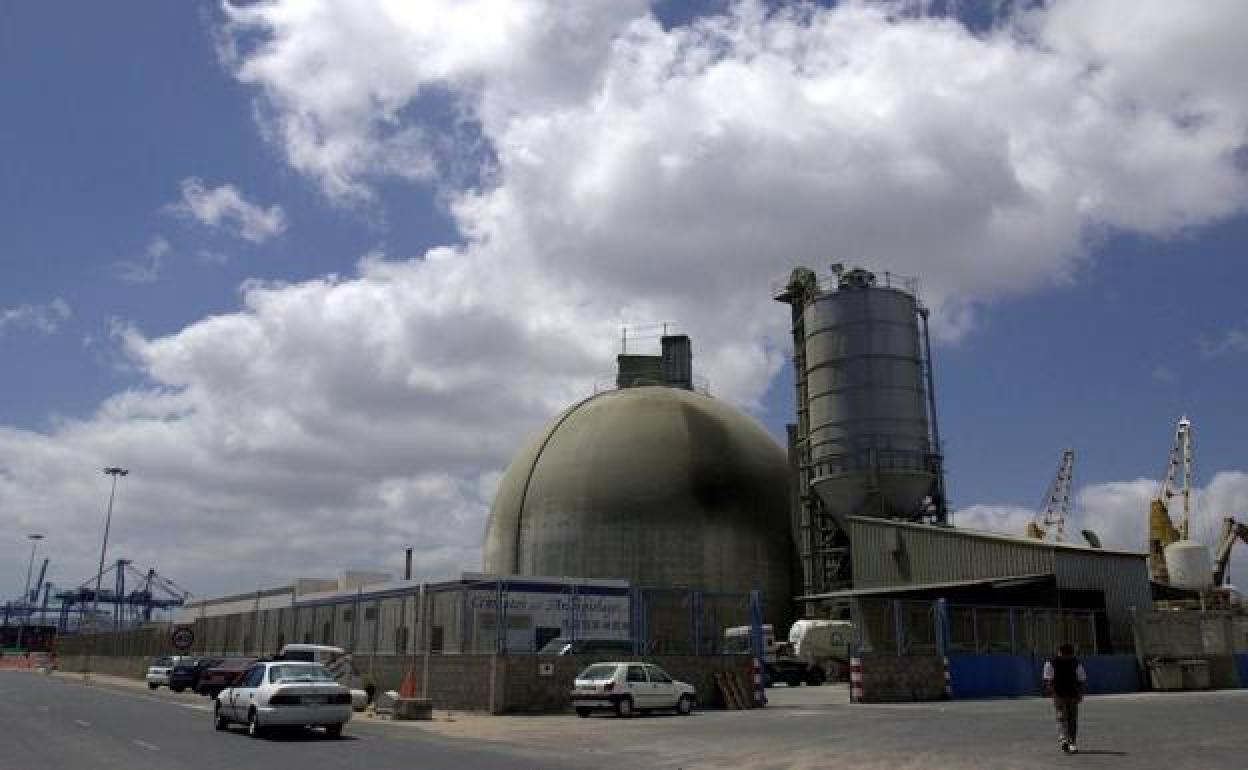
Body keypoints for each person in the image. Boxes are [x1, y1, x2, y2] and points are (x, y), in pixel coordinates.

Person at [1043, 643, 1087, 754]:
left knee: (1070, 718)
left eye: (1069, 655)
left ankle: (1069, 741)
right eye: (1065, 654)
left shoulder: (1075, 663)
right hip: (1060, 694)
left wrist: (1080, 694)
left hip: (1072, 694)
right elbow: (1049, 681)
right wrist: (1054, 694)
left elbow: (1081, 679)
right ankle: (1066, 740)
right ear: (1060, 652)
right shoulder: (1051, 662)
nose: (1066, 657)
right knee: (1063, 716)